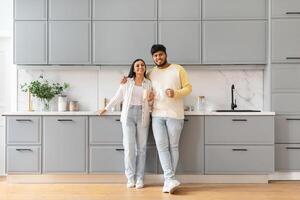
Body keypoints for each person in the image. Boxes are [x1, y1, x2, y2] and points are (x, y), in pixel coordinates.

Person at [121, 44, 192, 194]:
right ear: (152, 58)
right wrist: (125, 80)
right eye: (155, 56)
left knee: (173, 147)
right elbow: (139, 82)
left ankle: (168, 180)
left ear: (165, 54)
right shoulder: (151, 73)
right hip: (157, 115)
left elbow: (188, 88)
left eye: (160, 54)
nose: (158, 58)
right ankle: (169, 178)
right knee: (162, 147)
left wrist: (176, 93)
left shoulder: (178, 69)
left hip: (175, 114)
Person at [98, 59, 153, 189]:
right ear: (133, 69)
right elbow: (118, 96)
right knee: (129, 148)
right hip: (128, 115)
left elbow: (150, 103)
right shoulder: (127, 82)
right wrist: (106, 108)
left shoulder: (149, 83)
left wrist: (151, 100)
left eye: (142, 65)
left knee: (142, 148)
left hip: (143, 115)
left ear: (145, 68)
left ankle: (140, 178)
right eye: (137, 65)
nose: (140, 67)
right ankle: (130, 178)